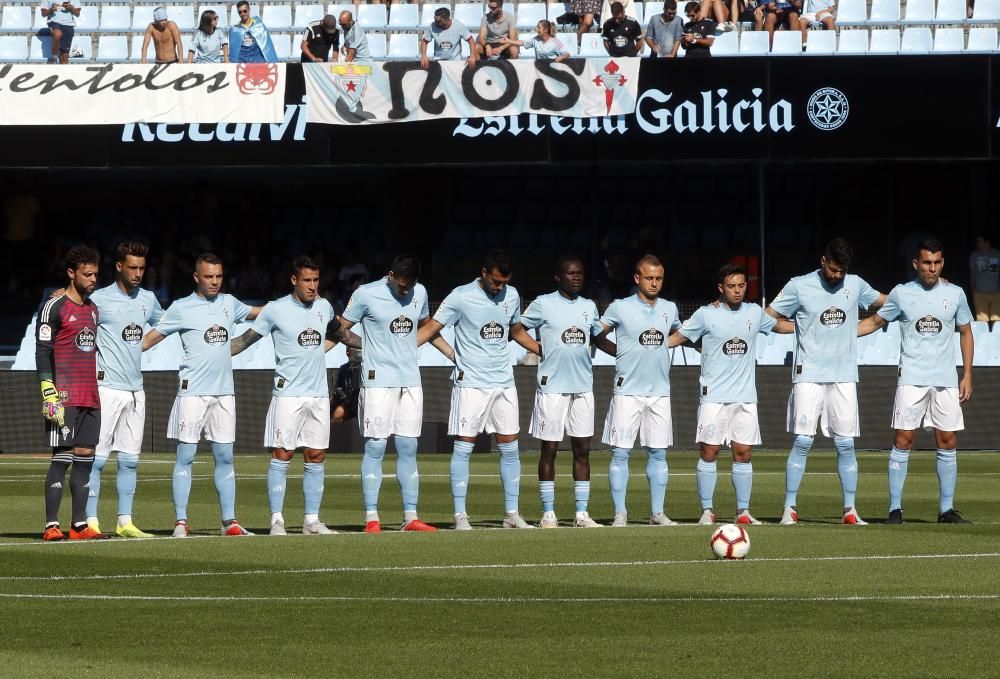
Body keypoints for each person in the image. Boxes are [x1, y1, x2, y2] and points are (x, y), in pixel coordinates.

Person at [230, 256, 358, 536]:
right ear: (294, 281)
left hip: (317, 395)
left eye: (316, 280)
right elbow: (244, 340)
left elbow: (343, 336)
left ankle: (311, 520)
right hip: (288, 394)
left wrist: (375, 345)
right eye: (307, 281)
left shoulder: (324, 306)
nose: (313, 286)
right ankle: (277, 520)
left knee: (316, 454)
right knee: (283, 453)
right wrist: (212, 352)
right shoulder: (275, 310)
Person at [417, 250, 542, 530]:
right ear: (484, 272)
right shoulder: (460, 296)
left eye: (504, 282)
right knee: (464, 448)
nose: (500, 287)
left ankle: (512, 514)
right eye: (496, 281)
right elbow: (431, 327)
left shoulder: (511, 296)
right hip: (471, 383)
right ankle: (460, 515)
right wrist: (405, 349)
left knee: (510, 447)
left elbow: (517, 331)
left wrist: (540, 349)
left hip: (504, 382)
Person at [141, 253, 262, 537]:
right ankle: (181, 522)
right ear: (197, 277)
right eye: (209, 277)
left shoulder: (230, 303)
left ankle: (229, 522)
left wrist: (289, 304)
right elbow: (148, 340)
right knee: (186, 457)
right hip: (192, 392)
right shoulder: (181, 308)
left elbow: (261, 313)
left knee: (226, 458)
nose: (215, 282)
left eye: (219, 276)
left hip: (224, 394)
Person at [767, 238, 886, 526]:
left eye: (841, 271)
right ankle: (789, 509)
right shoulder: (799, 285)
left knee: (845, 445)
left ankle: (849, 510)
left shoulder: (855, 284)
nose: (836, 276)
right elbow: (767, 317)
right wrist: (796, 327)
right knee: (803, 441)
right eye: (833, 270)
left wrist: (916, 292)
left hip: (844, 376)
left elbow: (889, 301)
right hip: (808, 374)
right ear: (823, 261)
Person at [858, 239, 974, 525]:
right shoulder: (901, 293)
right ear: (916, 264)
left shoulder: (956, 294)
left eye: (936, 263)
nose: (931, 268)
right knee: (903, 439)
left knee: (947, 441)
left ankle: (946, 510)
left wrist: (967, 374)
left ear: (942, 263)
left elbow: (966, 333)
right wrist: (840, 336)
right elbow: (874, 322)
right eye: (926, 263)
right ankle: (895, 509)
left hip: (945, 380)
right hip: (911, 378)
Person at [670, 264, 793, 525]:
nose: (737, 291)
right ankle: (706, 511)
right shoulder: (705, 314)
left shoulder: (754, 312)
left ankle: (743, 512)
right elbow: (678, 337)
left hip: (745, 397)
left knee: (743, 453)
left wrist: (807, 324)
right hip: (714, 396)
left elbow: (779, 326)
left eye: (741, 286)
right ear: (720, 288)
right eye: (731, 286)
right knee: (709, 451)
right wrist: (648, 343)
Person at [339, 255, 448, 533]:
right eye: (401, 286)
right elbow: (341, 328)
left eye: (409, 286)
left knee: (409, 447)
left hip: (410, 380)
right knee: (375, 446)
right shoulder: (365, 294)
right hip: (378, 382)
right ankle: (371, 518)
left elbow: (426, 328)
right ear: (390, 275)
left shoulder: (420, 292)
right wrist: (363, 345)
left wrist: (453, 354)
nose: (405, 291)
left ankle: (410, 517)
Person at [520, 256, 615, 528]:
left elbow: (599, 339)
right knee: (549, 449)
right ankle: (548, 513)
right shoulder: (542, 303)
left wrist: (628, 353)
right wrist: (540, 349)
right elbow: (517, 329)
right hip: (552, 387)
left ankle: (581, 514)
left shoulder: (588, 306)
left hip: (583, 386)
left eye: (580, 273)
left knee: (582, 450)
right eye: (571, 273)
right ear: (557, 277)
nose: (577, 277)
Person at [593, 255, 682, 527]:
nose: (654, 283)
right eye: (649, 278)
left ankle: (658, 513)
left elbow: (680, 334)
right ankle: (620, 513)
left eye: (659, 279)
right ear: (637, 278)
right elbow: (597, 334)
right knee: (621, 453)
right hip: (627, 391)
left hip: (659, 392)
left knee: (658, 453)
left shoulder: (670, 308)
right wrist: (618, 352)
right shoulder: (619, 308)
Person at [85, 241, 164, 539]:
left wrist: (146, 342)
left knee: (130, 459)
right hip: (106, 388)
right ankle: (89, 520)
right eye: (133, 267)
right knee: (98, 459)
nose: (138, 273)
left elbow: (167, 322)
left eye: (142, 268)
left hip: (136, 390)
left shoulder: (148, 298)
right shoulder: (99, 299)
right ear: (118, 266)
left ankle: (124, 521)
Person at [36, 245, 107, 540]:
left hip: (90, 395)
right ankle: (52, 525)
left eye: (95, 274)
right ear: (71, 273)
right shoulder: (54, 307)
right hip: (63, 398)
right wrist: (48, 391)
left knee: (86, 457)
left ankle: (79, 525)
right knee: (62, 457)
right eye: (87, 274)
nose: (93, 279)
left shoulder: (93, 309)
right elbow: (42, 352)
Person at [501, 20, 570, 61]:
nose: (536, 29)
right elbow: (522, 42)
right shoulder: (536, 39)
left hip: (553, 70)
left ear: (545, 30)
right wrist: (508, 40)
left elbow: (567, 53)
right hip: (540, 69)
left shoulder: (555, 42)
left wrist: (561, 57)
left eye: (539, 27)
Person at [968, 234, 1000, 322]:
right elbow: (972, 273)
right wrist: (972, 289)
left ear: (987, 243)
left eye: (980, 242)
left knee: (996, 322)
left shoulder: (997, 253)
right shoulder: (974, 255)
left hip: (996, 293)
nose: (977, 244)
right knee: (982, 322)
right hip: (980, 294)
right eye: (977, 242)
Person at [39, 0, 80, 65]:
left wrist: (70, 7)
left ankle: (63, 74)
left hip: (69, 25)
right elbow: (43, 14)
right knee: (58, 34)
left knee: (64, 58)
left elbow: (77, 14)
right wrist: (51, 10)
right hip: (54, 22)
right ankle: (54, 57)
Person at [332, 347, 362, 423]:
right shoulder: (344, 368)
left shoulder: (366, 367)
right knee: (336, 412)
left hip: (362, 399)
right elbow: (338, 386)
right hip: (348, 401)